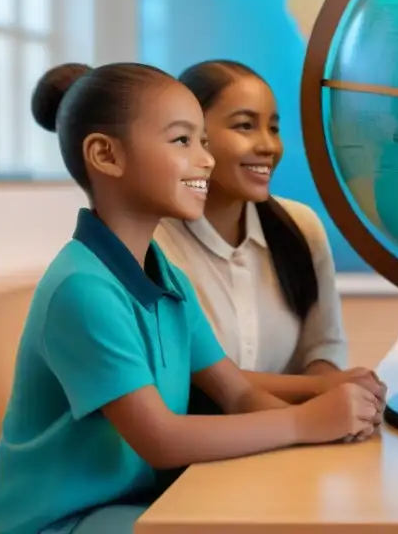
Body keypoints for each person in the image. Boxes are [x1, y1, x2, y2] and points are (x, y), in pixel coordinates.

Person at [0, 63, 381, 534]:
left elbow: (238, 392)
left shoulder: (165, 275)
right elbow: (162, 439)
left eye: (204, 142)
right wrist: (304, 423)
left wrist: (330, 423)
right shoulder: (82, 288)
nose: (205, 159)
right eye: (182, 141)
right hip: (58, 523)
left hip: (127, 505)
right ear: (106, 156)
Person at [153, 60, 384, 406]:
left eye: (273, 128)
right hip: (196, 452)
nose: (268, 146)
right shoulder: (153, 244)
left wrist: (329, 394)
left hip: (279, 447)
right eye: (245, 126)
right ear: (190, 136)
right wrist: (316, 394)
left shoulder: (301, 227)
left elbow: (323, 347)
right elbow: (186, 377)